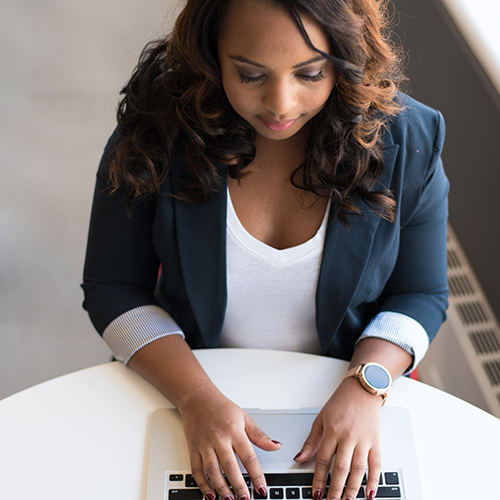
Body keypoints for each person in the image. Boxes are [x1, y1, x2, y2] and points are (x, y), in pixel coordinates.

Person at [82, 0, 449, 499]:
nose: (281, 103)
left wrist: (366, 387)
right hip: (187, 382)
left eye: (310, 73)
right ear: (211, 52)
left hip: (344, 391)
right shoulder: (157, 127)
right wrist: (195, 399)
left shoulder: (409, 140)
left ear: (345, 57)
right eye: (251, 74)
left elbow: (421, 293)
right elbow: (114, 287)